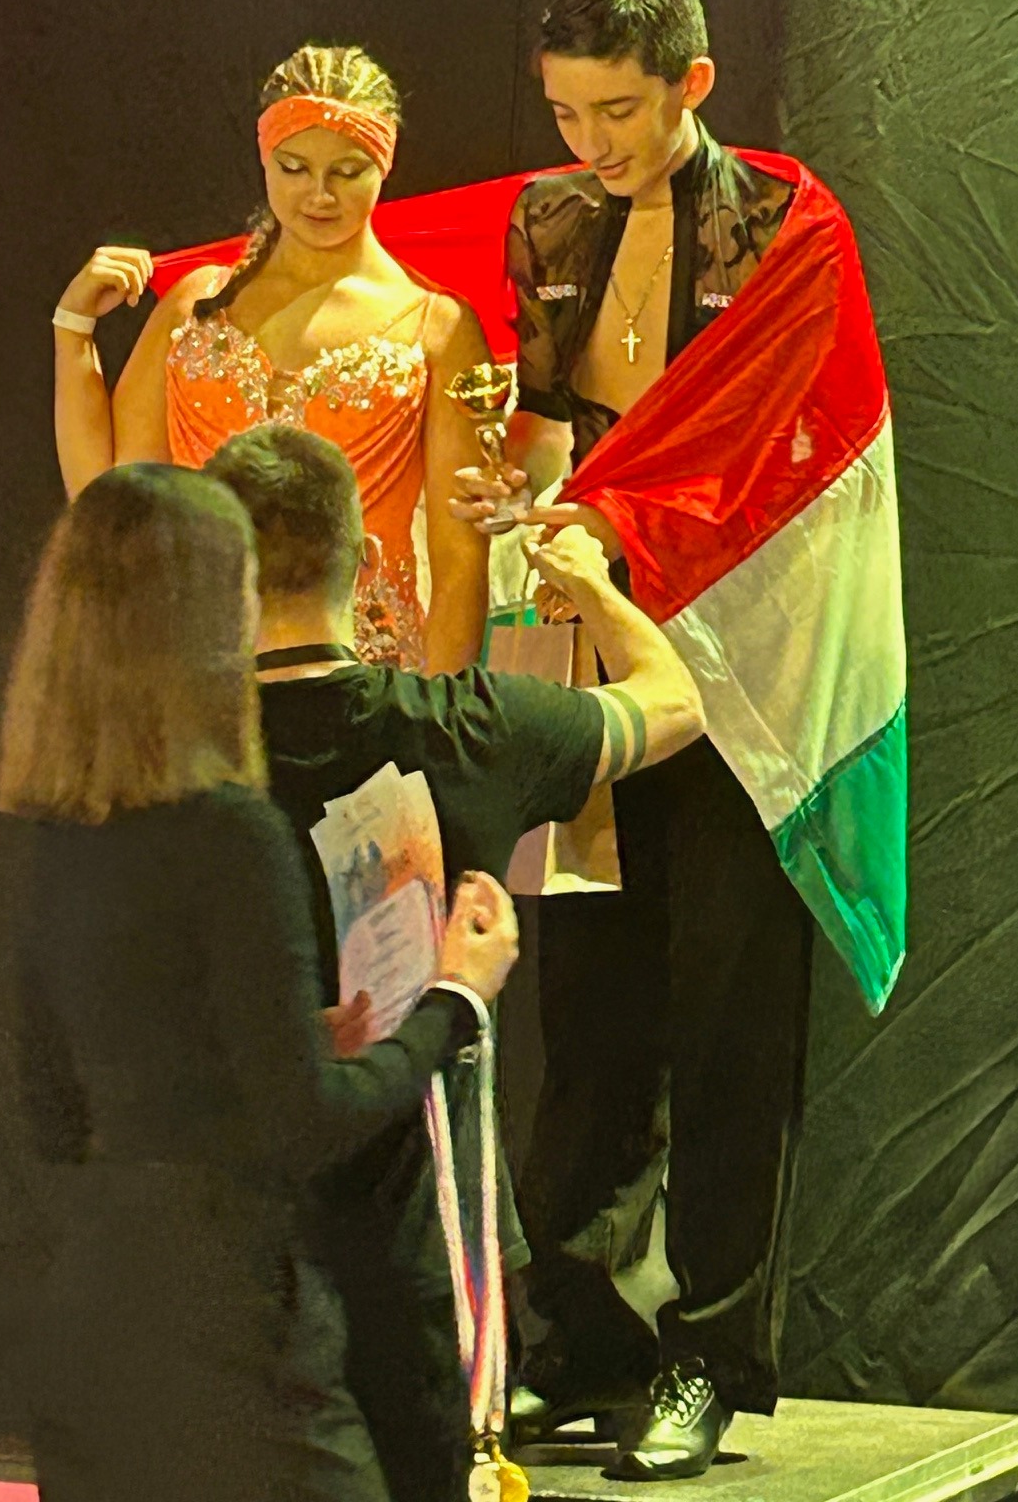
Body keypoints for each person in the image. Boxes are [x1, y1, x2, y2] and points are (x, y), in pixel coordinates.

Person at [451, 0, 819, 1479]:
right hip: (595, 651)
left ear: (692, 86)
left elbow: (778, 445)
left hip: (739, 660)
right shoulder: (548, 221)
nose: (590, 142)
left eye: (617, 111)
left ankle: (710, 1356)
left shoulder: (786, 226)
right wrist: (511, 501)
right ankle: (583, 1340)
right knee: (590, 1005)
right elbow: (547, 427)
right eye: (566, 112)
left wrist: (612, 523)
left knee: (729, 1012)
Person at [0, 461, 520, 1502]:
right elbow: (305, 1124)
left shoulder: (59, 840)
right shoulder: (230, 834)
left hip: (89, 1327)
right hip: (230, 1329)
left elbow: (53, 1113)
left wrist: (265, 1041)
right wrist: (455, 1000)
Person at [203, 422, 704, 1502]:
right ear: (365, 561)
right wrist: (587, 582)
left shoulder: (170, 764)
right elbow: (674, 703)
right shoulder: (466, 728)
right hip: (419, 1250)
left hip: (218, 1252)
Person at [50, 43, 492, 672]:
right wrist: (73, 332)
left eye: (348, 171)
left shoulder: (438, 328)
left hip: (362, 677)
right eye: (293, 168)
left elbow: (461, 564)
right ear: (264, 157)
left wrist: (438, 716)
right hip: (197, 664)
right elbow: (112, 502)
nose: (319, 195)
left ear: (385, 165)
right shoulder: (195, 304)